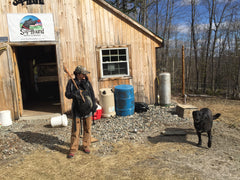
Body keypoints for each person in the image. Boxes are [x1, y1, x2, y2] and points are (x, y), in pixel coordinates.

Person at [65, 65, 97, 158]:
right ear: (78, 74)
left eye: (84, 74)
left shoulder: (87, 82)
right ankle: (73, 149)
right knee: (75, 130)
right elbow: (67, 94)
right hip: (77, 109)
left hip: (87, 108)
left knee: (87, 128)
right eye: (83, 74)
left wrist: (94, 106)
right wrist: (75, 94)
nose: (84, 76)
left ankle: (86, 145)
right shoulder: (71, 82)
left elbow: (92, 94)